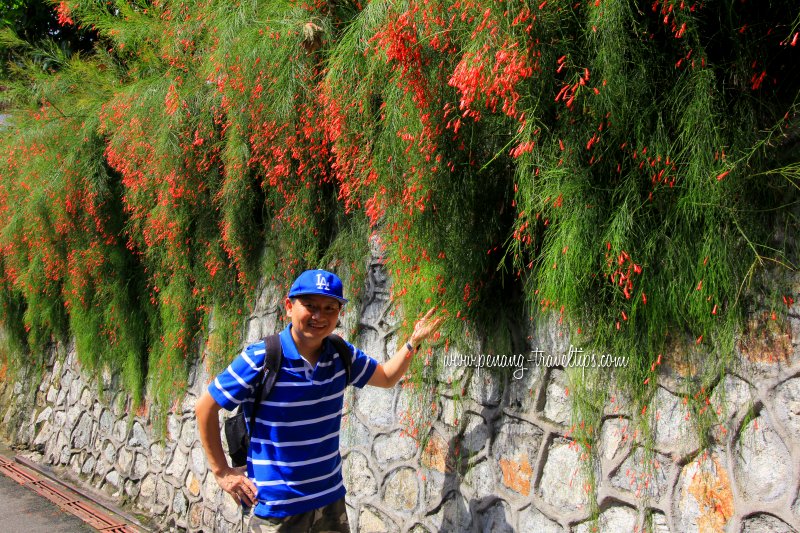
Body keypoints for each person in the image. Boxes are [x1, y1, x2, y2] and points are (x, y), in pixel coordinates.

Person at [195, 269, 445, 532]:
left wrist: (413, 343)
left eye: (329, 307)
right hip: (277, 508)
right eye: (310, 306)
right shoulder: (262, 357)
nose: (319, 316)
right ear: (289, 307)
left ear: (339, 314)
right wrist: (222, 473)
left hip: (329, 502)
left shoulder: (341, 354)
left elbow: (385, 377)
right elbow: (205, 408)